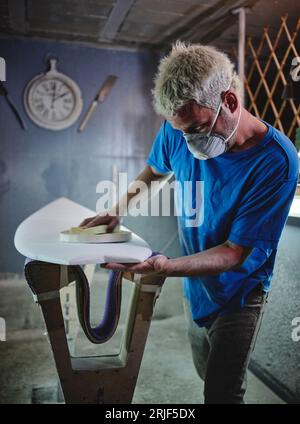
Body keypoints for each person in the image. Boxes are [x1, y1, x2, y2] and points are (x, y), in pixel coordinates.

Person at [80, 42, 299, 403]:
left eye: (196, 128)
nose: (188, 141)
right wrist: (119, 208)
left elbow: (234, 253)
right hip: (195, 286)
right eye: (180, 131)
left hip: (238, 294)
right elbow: (155, 169)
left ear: (229, 102)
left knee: (222, 392)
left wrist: (164, 268)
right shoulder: (178, 131)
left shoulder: (276, 162)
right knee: (204, 371)